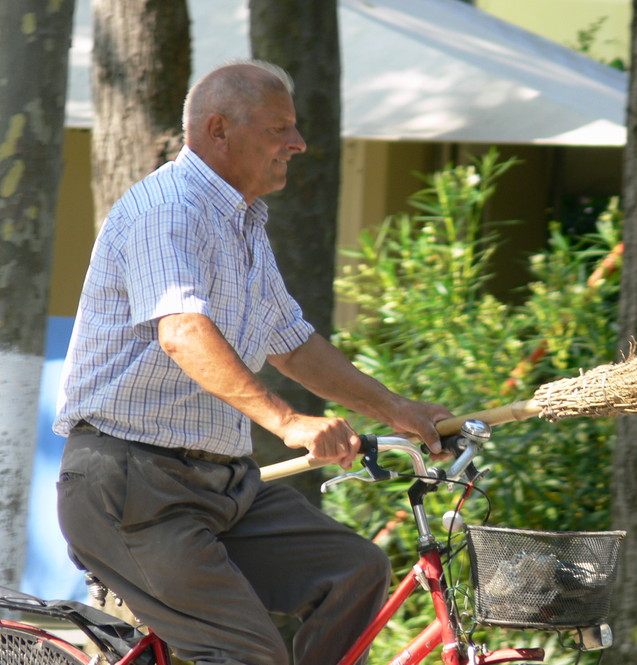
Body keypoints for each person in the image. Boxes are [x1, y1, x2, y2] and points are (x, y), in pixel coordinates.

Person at [53, 60, 452, 665]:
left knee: (355, 572)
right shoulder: (169, 210)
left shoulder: (241, 220)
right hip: (133, 487)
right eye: (279, 129)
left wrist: (396, 410)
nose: (298, 143)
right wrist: (290, 423)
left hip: (222, 484)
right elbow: (182, 331)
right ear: (219, 130)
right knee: (248, 655)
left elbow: (290, 342)